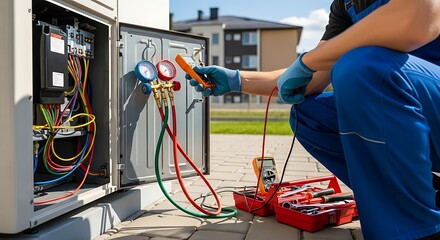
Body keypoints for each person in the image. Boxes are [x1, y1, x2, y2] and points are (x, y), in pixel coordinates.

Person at [185, 0, 440, 239]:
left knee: (362, 67)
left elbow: (416, 18)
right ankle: (424, 194)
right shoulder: (345, 5)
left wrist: (308, 61)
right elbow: (312, 76)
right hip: (412, 116)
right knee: (308, 114)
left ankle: (416, 229)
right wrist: (236, 80)